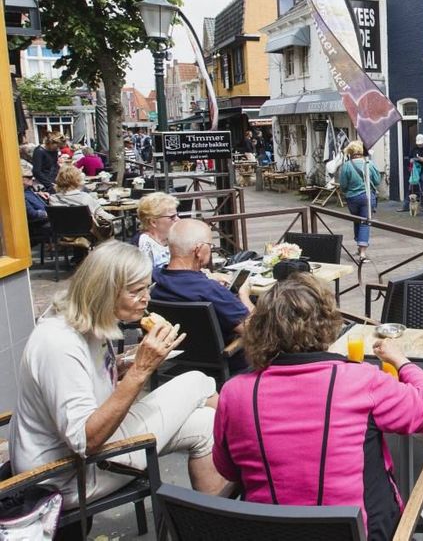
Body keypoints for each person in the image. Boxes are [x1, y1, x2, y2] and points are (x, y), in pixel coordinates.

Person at [212, 273, 423, 541]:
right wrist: (402, 361)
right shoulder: (361, 380)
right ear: (327, 324)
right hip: (359, 533)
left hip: (269, 532)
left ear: (261, 329)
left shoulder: (234, 392)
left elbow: (227, 469)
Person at [8, 241, 225, 507]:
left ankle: (216, 522)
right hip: (63, 478)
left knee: (206, 424)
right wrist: (141, 369)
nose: (146, 298)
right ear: (104, 293)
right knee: (197, 381)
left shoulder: (86, 321)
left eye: (147, 287)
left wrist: (120, 365)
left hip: (85, 456)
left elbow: (86, 380)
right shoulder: (59, 343)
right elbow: (86, 441)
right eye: (136, 291)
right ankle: (256, 451)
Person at [150, 219, 253, 371]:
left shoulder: (156, 280)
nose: (210, 250)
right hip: (227, 363)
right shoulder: (210, 290)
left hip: (178, 359)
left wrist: (206, 276)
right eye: (210, 246)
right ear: (198, 250)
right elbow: (255, 329)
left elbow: (185, 282)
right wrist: (244, 295)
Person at [338, 141, 381, 263]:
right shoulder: (369, 163)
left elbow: (343, 185)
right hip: (367, 197)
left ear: (350, 152)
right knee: (365, 223)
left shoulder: (346, 166)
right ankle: (362, 253)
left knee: (357, 221)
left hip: (352, 198)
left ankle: (359, 245)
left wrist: (347, 191)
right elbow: (377, 181)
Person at [51, 164, 119, 240]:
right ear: (77, 180)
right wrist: (117, 219)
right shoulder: (85, 198)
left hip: (63, 233)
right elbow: (102, 214)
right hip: (89, 233)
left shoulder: (53, 199)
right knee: (116, 222)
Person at [137, 191, 180, 269]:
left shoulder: (174, 237)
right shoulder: (145, 243)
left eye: (177, 215)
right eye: (172, 217)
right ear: (153, 222)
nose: (178, 219)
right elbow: (146, 275)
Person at [400, 134, 423, 212]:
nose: (419, 145)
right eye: (418, 144)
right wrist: (411, 160)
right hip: (415, 170)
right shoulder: (413, 148)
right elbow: (409, 157)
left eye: (421, 144)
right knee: (410, 186)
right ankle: (406, 206)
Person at [21, 161, 51, 241]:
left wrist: (37, 193)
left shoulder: (28, 189)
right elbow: (33, 214)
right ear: (21, 179)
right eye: (29, 177)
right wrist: (51, 214)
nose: (33, 178)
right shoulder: (20, 196)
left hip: (47, 217)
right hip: (41, 223)